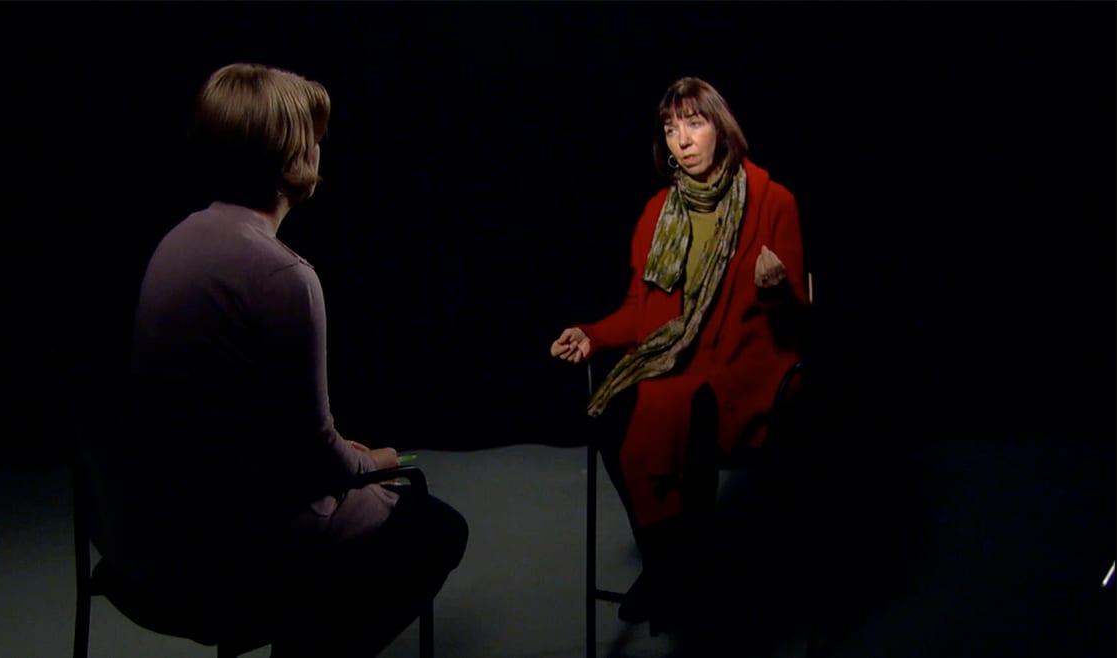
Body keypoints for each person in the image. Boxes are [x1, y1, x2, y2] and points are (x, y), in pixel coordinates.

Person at [108, 63, 468, 657]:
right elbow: (317, 458)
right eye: (314, 137)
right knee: (437, 527)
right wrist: (369, 461)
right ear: (292, 154)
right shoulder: (282, 275)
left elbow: (237, 419)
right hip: (236, 546)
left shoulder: (177, 242)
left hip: (158, 531)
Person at [550, 76, 809, 629]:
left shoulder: (772, 201)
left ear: (722, 128)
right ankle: (672, 564)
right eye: (670, 128)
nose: (682, 140)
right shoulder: (656, 213)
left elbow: (796, 328)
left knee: (683, 413)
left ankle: (676, 574)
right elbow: (640, 312)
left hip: (746, 371)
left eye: (695, 123)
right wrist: (592, 333)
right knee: (612, 415)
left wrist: (776, 290)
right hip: (676, 364)